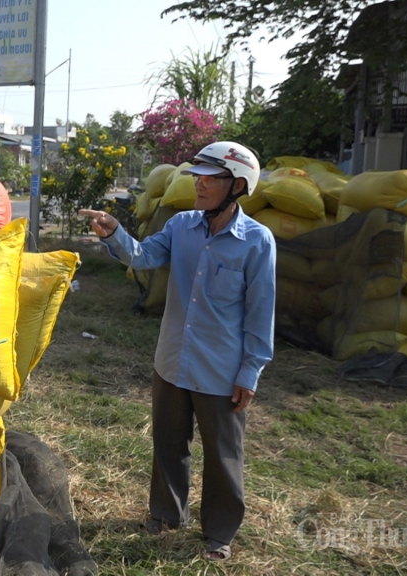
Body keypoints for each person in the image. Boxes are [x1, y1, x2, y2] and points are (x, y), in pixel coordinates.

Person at [78, 141, 276, 562]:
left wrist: (250, 372)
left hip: (220, 370)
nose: (199, 185)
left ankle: (219, 533)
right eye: (198, 177)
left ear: (238, 185)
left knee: (223, 455)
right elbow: (143, 256)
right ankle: (166, 515)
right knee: (169, 443)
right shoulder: (182, 225)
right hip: (171, 360)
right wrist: (114, 232)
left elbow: (261, 313)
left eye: (209, 179)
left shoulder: (257, 242)